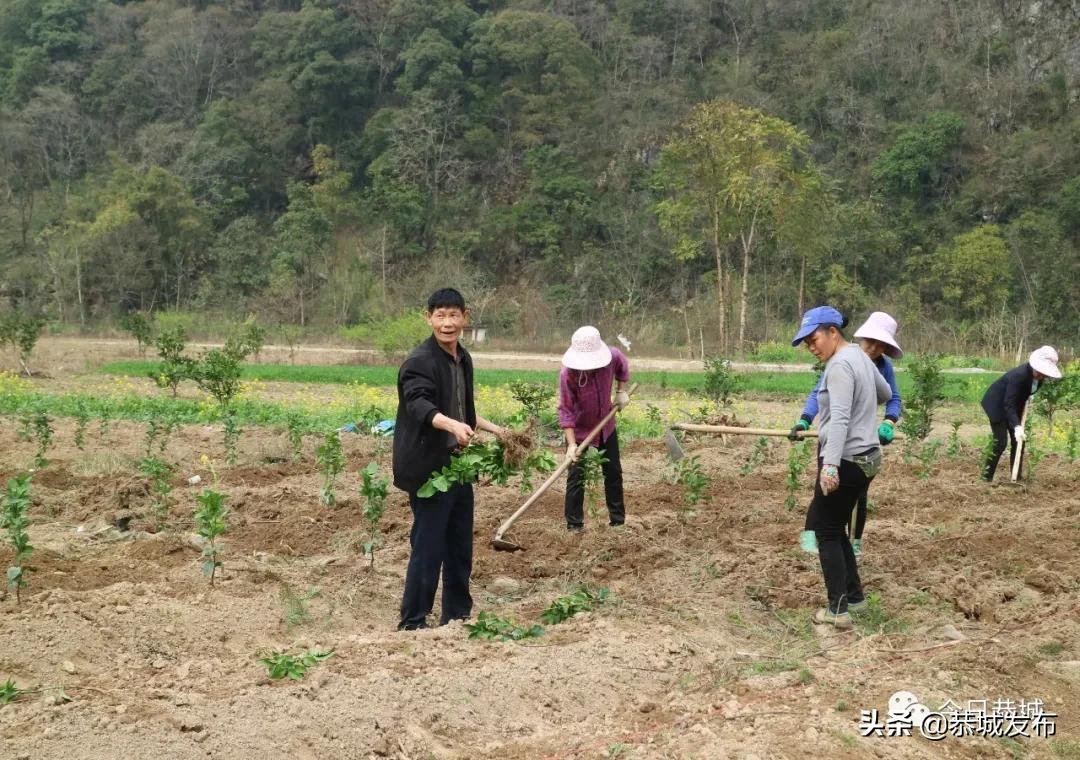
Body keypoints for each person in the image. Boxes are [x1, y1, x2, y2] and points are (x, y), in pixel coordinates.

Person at [393, 288, 508, 630]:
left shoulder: (463, 359)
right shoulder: (419, 362)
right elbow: (419, 405)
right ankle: (413, 620)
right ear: (428, 318)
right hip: (429, 469)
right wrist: (450, 425)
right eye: (440, 316)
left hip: (459, 466)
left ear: (465, 318)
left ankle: (457, 614)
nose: (447, 323)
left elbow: (466, 412)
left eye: (453, 315)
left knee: (459, 543)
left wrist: (498, 431)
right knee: (429, 544)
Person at [791, 306, 892, 628]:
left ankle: (837, 610)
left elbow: (840, 420)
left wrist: (829, 466)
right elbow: (885, 393)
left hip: (846, 459)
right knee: (836, 526)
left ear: (833, 332)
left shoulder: (838, 365)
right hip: (869, 459)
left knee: (826, 530)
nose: (812, 347)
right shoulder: (861, 357)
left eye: (814, 339)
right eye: (807, 343)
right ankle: (856, 597)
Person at [792, 311, 903, 556]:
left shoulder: (883, 368)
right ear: (860, 339)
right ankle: (812, 533)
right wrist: (805, 420)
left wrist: (889, 421)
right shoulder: (842, 360)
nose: (873, 348)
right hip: (834, 441)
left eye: (879, 345)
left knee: (857, 494)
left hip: (859, 442)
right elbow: (818, 395)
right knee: (825, 489)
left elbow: (892, 397)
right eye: (869, 342)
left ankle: (853, 540)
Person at [558, 326, 631, 532]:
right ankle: (574, 525)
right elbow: (566, 410)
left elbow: (623, 368)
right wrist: (572, 445)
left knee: (613, 472)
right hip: (579, 432)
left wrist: (621, 391)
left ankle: (618, 521)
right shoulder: (568, 374)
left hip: (606, 426)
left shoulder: (612, 357)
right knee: (576, 476)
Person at [980, 345, 1062, 482]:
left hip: (1013, 405)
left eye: (1045, 374)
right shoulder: (1020, 375)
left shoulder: (1039, 378)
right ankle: (985, 478)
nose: (1043, 376)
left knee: (1019, 442)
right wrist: (1017, 426)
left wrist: (1028, 395)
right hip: (997, 405)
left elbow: (1023, 393)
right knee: (1000, 442)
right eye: (1041, 372)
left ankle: (1016, 476)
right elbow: (1008, 403)